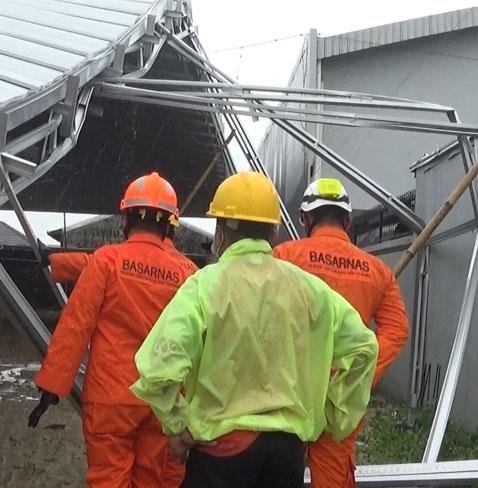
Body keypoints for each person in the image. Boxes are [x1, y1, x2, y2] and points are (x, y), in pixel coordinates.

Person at [131, 171, 380, 488]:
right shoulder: (312, 289)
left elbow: (158, 368)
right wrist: (334, 415)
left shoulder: (205, 285)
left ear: (221, 230)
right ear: (273, 231)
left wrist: (176, 425)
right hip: (287, 452)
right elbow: (364, 348)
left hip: (221, 451)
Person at [31, 172, 197, 487]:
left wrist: (52, 387)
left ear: (126, 217)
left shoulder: (108, 260)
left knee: (109, 478)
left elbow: (76, 326)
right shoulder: (187, 273)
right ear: (168, 224)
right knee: (151, 479)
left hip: (111, 397)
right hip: (162, 400)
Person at [274, 177, 409, 488]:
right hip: (341, 402)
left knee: (274, 470)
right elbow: (397, 330)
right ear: (347, 220)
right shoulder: (377, 271)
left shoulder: (283, 257)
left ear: (306, 218)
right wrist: (358, 379)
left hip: (286, 393)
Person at [44, 215, 197, 283]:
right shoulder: (190, 271)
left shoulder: (112, 258)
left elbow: (88, 264)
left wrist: (52, 258)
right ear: (171, 229)